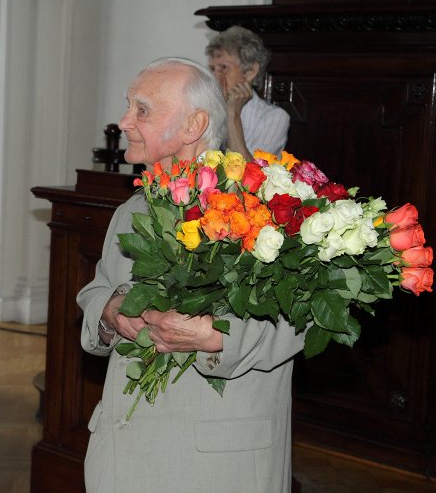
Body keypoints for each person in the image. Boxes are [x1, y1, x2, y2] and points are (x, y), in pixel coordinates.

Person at [77, 57, 306, 492]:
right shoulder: (132, 211)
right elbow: (98, 289)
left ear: (193, 125)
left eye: (142, 110)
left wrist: (218, 337)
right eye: (128, 106)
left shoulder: (261, 206)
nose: (124, 121)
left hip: (216, 467)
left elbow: (305, 318)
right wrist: (109, 314)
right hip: (123, 455)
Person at [205, 25, 290, 159]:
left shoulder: (274, 118)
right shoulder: (202, 108)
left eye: (224, 68)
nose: (215, 76)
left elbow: (247, 176)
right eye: (212, 68)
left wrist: (232, 113)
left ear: (250, 72)